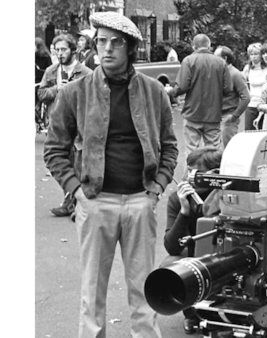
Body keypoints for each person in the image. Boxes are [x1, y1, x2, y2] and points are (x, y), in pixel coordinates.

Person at [43, 11, 178, 338]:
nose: (106, 49)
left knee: (145, 289)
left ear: (130, 48)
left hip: (139, 201)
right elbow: (54, 149)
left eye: (115, 42)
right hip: (95, 201)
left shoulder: (153, 92)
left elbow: (170, 147)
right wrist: (76, 192)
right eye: (100, 41)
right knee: (92, 292)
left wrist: (156, 190)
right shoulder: (76, 91)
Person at [161, 147, 223, 334]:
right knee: (169, 265)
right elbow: (171, 246)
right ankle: (192, 314)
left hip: (223, 255)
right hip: (195, 257)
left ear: (215, 174)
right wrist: (184, 212)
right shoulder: (178, 198)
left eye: (197, 172)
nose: (190, 176)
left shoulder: (229, 196)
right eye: (189, 169)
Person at [38, 34, 93, 218]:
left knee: (77, 162)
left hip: (79, 123)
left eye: (64, 49)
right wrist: (56, 89)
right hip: (57, 122)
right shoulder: (51, 71)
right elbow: (41, 93)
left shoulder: (85, 72)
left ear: (73, 50)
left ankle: (74, 202)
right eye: (57, 50)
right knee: (58, 160)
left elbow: (94, 97)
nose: (60, 54)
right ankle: (71, 200)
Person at [168, 34, 231, 157]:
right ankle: (212, 174)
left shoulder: (188, 61)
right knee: (213, 152)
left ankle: (192, 175)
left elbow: (182, 86)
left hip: (192, 113)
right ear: (209, 45)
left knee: (192, 151)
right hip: (213, 114)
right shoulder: (220, 62)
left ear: (193, 46)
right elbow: (228, 88)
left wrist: (171, 91)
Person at [214, 45, 250, 148]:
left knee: (229, 148)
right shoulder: (218, 72)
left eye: (216, 57)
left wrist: (234, 116)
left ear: (224, 58)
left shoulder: (235, 74)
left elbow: (246, 97)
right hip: (216, 116)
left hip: (228, 116)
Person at [242, 43, 267, 131]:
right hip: (251, 104)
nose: (253, 57)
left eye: (256, 54)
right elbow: (241, 84)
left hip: (264, 104)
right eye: (251, 54)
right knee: (249, 131)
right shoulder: (248, 68)